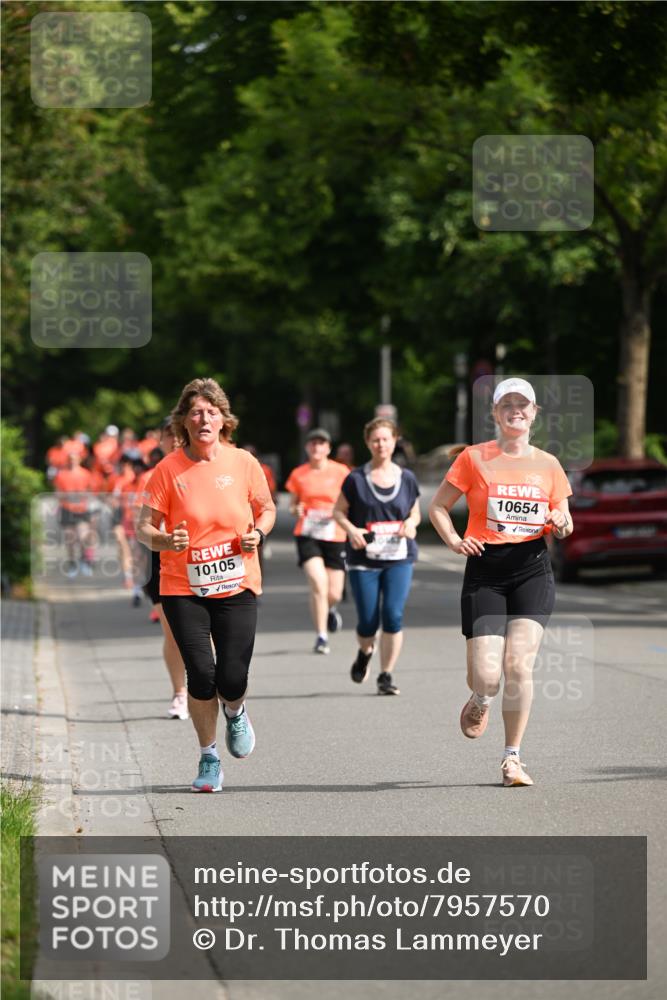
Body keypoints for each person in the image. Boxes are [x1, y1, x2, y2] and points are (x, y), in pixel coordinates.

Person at [429, 377, 573, 787]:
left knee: (518, 665)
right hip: (486, 571)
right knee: (487, 675)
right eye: (507, 403)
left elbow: (563, 519)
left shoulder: (547, 464)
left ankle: (512, 758)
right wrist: (456, 540)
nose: (516, 410)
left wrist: (561, 520)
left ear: (534, 413)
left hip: (531, 568)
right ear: (495, 413)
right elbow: (439, 507)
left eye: (523, 404)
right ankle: (481, 698)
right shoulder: (474, 458)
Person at [137, 378, 275, 792]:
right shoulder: (168, 470)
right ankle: (209, 757)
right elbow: (144, 527)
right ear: (183, 421)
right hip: (183, 587)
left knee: (232, 677)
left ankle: (236, 710)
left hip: (237, 582)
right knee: (201, 674)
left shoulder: (243, 463)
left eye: (211, 412)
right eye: (195, 412)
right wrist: (165, 540)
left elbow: (266, 508)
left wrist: (259, 533)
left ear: (223, 420)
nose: (204, 419)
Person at [333, 418, 421, 695]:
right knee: (368, 622)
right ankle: (364, 650)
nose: (381, 444)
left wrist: (412, 524)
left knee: (393, 615)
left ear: (394, 440)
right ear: (368, 443)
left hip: (399, 557)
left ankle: (386, 675)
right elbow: (338, 512)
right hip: (364, 560)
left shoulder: (406, 478)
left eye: (385, 439)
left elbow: (414, 512)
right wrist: (351, 530)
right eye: (375, 440)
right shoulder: (356, 479)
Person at [135, 420, 189, 719]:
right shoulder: (152, 476)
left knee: (203, 633)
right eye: (170, 436)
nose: (175, 441)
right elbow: (141, 523)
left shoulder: (202, 469)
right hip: (162, 556)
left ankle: (202, 684)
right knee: (172, 632)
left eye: (179, 436)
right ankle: (179, 693)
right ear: (161, 441)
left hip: (199, 557)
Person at [285, 428, 349, 654]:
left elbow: (350, 501)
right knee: (317, 584)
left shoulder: (341, 472)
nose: (317, 447)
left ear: (328, 448)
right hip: (308, 533)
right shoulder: (299, 473)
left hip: (335, 534)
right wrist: (297, 508)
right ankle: (321, 636)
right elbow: (293, 505)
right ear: (307, 447)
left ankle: (331, 610)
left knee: (334, 593)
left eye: (321, 444)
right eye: (313, 443)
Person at [53, 452, 94, 578]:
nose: (72, 461)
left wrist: (87, 502)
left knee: (83, 537)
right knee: (70, 539)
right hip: (67, 509)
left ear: (79, 460)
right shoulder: (61, 475)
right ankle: (72, 564)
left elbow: (90, 491)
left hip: (81, 510)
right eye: (70, 459)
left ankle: (84, 561)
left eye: (74, 459)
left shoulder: (85, 474)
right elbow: (58, 492)